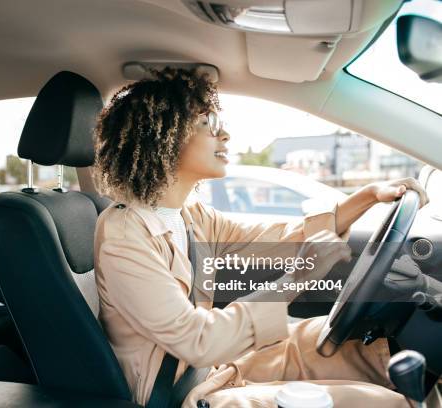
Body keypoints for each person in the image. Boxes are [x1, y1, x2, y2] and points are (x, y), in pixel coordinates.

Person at [91, 68, 429, 407]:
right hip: (181, 394)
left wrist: (367, 197)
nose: (224, 136)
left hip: (213, 367)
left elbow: (285, 239)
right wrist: (300, 275)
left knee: (360, 347)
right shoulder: (124, 234)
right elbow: (196, 339)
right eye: (206, 125)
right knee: (380, 403)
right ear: (162, 138)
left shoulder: (191, 216)